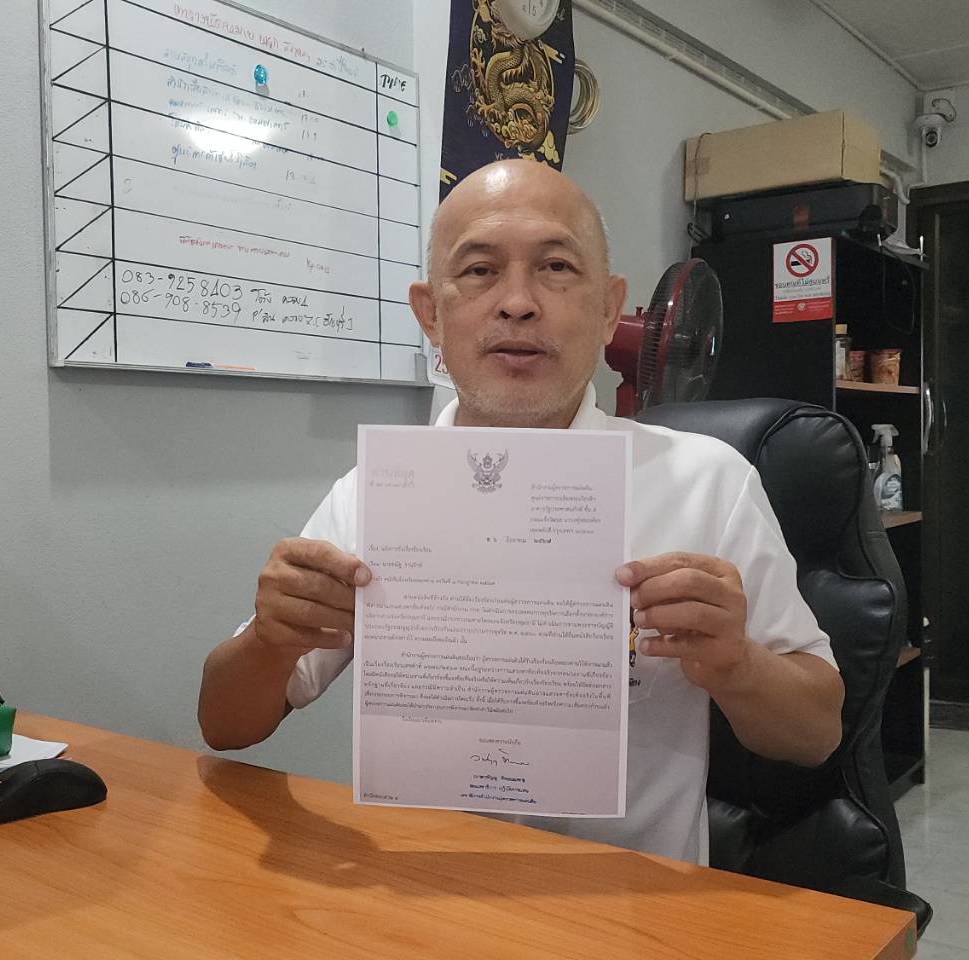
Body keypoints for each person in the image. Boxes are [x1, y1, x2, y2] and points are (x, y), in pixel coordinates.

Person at [198, 159, 843, 864]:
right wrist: (269, 641)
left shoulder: (706, 481)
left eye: (556, 267)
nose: (517, 303)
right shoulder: (374, 492)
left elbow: (816, 735)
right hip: (416, 888)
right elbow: (225, 727)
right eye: (478, 271)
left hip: (629, 901)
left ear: (609, 309)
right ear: (430, 314)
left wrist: (736, 664)